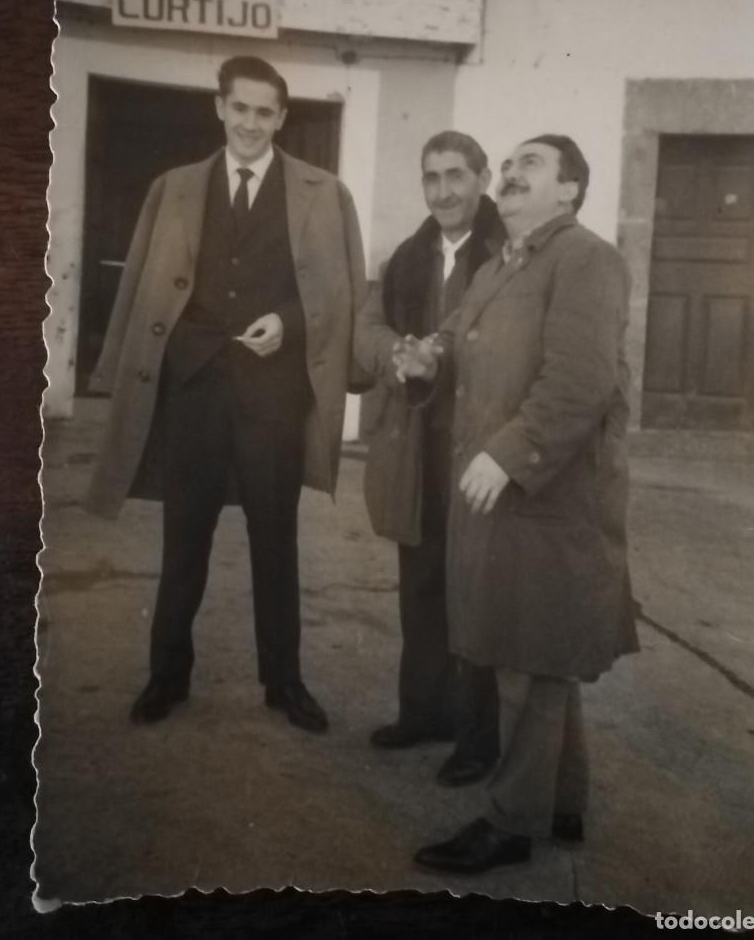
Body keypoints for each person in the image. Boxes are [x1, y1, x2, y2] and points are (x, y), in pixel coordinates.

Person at [85, 55, 367, 734]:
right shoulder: (175, 188)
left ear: (281, 118)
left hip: (273, 395)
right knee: (184, 540)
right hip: (193, 389)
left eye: (264, 112)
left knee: (276, 541)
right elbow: (141, 289)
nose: (250, 123)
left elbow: (344, 293)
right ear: (219, 108)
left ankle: (285, 682)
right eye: (239, 108)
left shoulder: (322, 193)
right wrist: (116, 373)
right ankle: (166, 677)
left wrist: (291, 323)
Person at [397, 135, 639, 875]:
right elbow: (455, 339)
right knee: (536, 650)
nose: (505, 176)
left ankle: (511, 821)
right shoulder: (507, 261)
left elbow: (580, 381)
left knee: (527, 654)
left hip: (546, 494)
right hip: (502, 495)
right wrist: (425, 357)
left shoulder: (585, 259)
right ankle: (561, 803)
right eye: (505, 167)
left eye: (526, 166)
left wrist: (508, 454)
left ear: (568, 190)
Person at [355, 131, 505, 787]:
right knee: (419, 583)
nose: (442, 191)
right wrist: (396, 355)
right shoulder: (406, 256)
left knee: (475, 592)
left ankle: (475, 739)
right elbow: (365, 331)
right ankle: (422, 713)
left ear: (482, 178)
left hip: (478, 446)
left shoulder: (508, 254)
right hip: (417, 443)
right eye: (431, 177)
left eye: (455, 175)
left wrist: (439, 357)